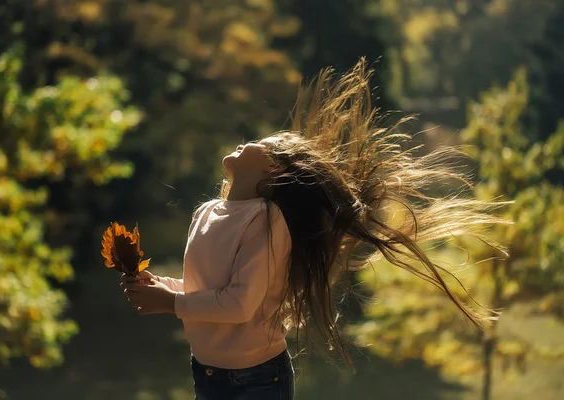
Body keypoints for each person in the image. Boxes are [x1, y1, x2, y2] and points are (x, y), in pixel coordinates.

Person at [120, 59, 506, 400]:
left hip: (254, 378)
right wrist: (164, 288)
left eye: (260, 144)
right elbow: (208, 293)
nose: (248, 142)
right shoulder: (206, 213)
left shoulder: (266, 220)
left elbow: (238, 304)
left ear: (274, 172)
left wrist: (171, 304)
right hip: (206, 371)